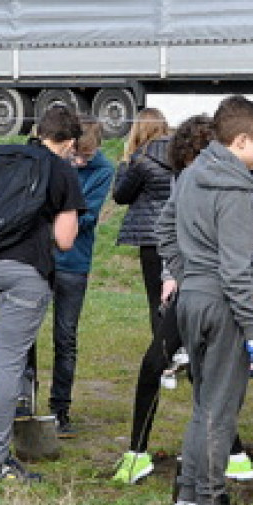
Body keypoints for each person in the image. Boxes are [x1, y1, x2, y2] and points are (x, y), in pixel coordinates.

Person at [114, 114, 253, 485]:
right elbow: (172, 230)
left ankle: (228, 460)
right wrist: (172, 275)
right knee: (156, 363)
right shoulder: (187, 181)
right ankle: (138, 453)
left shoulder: (239, 189)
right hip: (193, 291)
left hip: (227, 296)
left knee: (210, 377)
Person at [157, 96, 253, 505]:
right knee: (220, 410)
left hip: (191, 301)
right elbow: (236, 271)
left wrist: (186, 275)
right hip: (222, 306)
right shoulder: (237, 191)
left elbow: (163, 229)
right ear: (240, 141)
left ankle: (187, 497)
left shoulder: (190, 175)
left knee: (203, 404)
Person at [0, 104, 85, 482]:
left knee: (11, 354)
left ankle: (8, 433)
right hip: (23, 274)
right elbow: (65, 240)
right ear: (69, 142)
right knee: (8, 363)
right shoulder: (62, 170)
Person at [49, 118, 114, 438]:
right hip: (41, 257)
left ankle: (60, 408)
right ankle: (21, 402)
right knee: (24, 333)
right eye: (77, 153)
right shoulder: (55, 160)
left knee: (65, 336)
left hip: (74, 261)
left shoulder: (103, 170)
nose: (80, 161)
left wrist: (59, 214)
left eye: (87, 155)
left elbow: (87, 217)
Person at [113, 108, 173, 337]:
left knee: (155, 297)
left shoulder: (140, 160)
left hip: (150, 235)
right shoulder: (180, 157)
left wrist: (123, 164)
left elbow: (121, 195)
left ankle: (161, 348)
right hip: (179, 232)